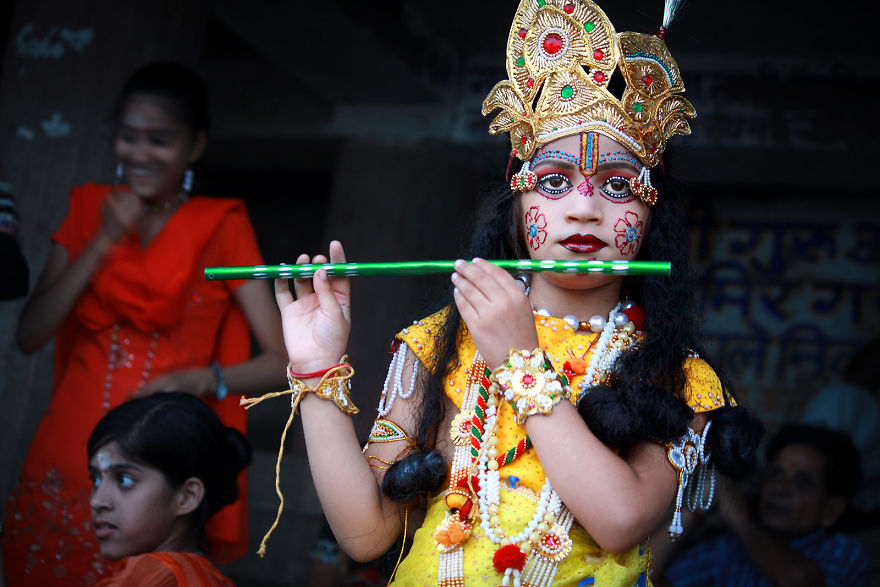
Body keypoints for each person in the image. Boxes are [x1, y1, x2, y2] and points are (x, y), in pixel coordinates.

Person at [264, 1, 762, 585]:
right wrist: (318, 372)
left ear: (653, 214)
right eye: (553, 181)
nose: (583, 208)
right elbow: (367, 533)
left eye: (618, 185)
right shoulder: (440, 343)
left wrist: (520, 362)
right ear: (518, 203)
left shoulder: (677, 375)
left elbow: (621, 518)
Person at [3, 62, 286, 585]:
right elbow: (30, 333)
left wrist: (204, 380)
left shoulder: (221, 223)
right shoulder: (89, 207)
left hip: (161, 465)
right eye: (129, 138)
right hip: (66, 458)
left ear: (194, 147)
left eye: (159, 140)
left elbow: (280, 362)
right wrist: (102, 241)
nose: (139, 154)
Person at [658, 424, 870, 586]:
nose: (780, 488)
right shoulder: (728, 550)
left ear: (830, 511)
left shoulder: (845, 552)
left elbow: (797, 581)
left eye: (801, 482)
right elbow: (644, 577)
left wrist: (740, 519)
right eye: (776, 474)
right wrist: (693, 510)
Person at [88, 392, 246, 586]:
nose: (97, 501)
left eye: (124, 480)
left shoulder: (153, 578)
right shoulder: (208, 578)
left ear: (187, 497)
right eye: (96, 480)